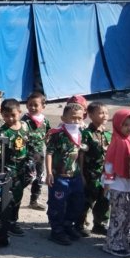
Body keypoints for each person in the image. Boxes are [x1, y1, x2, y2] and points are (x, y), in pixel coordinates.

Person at [45, 102, 86, 246]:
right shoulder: (58, 134)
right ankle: (56, 230)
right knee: (57, 204)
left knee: (77, 202)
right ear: (63, 118)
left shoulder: (81, 133)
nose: (76, 121)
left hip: (75, 176)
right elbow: (49, 153)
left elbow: (80, 154)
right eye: (73, 118)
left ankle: (68, 225)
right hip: (59, 177)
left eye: (79, 118)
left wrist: (81, 174)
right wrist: (49, 173)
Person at [101, 108, 130, 257]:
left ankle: (121, 242)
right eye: (125, 124)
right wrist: (108, 185)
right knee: (119, 215)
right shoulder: (117, 141)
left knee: (128, 214)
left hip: (129, 184)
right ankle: (112, 244)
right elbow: (109, 164)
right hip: (117, 184)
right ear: (118, 124)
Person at [0, 98, 32, 237]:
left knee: (18, 195)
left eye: (13, 115)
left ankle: (12, 220)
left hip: (23, 167)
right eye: (6, 116)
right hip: (9, 168)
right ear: (2, 115)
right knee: (9, 196)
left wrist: (32, 158)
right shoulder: (3, 131)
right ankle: (9, 222)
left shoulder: (25, 126)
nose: (10, 118)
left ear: (19, 112)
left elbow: (29, 142)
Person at [79, 102, 111, 236]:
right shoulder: (86, 134)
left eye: (106, 112)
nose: (104, 115)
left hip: (105, 174)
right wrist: (81, 174)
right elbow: (81, 155)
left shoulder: (108, 134)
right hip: (90, 174)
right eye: (101, 112)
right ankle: (79, 224)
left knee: (104, 199)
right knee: (87, 199)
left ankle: (100, 224)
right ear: (91, 115)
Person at [22, 91, 51, 210]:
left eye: (36, 105)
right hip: (27, 155)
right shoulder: (24, 120)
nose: (32, 107)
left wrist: (49, 148)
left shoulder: (45, 121)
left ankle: (34, 201)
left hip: (40, 154)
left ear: (43, 107)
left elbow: (48, 136)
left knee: (39, 177)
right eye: (30, 105)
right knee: (27, 177)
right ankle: (12, 196)